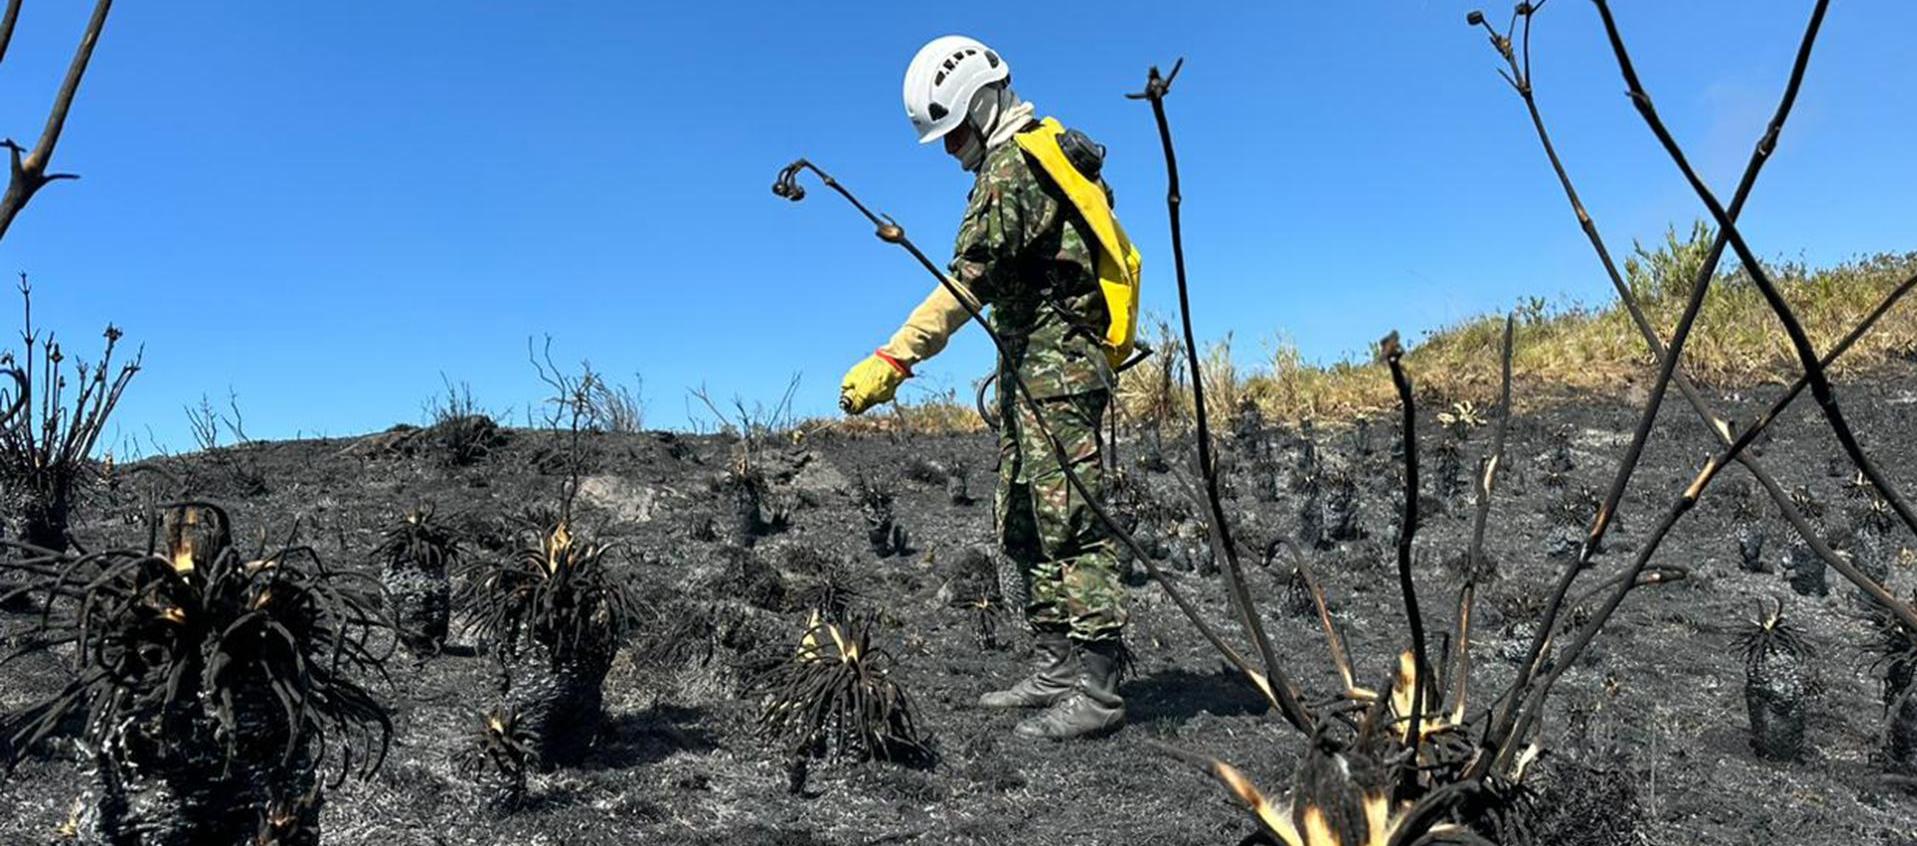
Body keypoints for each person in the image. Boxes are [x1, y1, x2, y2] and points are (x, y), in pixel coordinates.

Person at [839, 35, 1143, 741]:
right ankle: (1055, 667)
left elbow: (964, 283)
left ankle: (1096, 689)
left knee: (1070, 518)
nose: (951, 152)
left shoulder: (1014, 168)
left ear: (981, 102)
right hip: (1030, 365)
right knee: (1024, 515)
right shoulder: (1024, 159)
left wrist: (895, 357)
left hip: (1057, 369)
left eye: (954, 135)